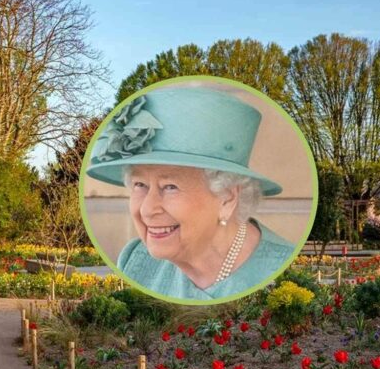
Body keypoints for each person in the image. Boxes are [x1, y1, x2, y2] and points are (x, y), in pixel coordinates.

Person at [85, 86, 295, 300]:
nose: (147, 209)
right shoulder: (134, 261)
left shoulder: (283, 269)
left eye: (170, 187)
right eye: (140, 184)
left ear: (227, 198)